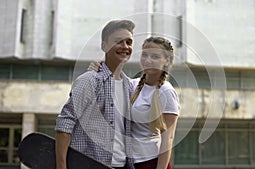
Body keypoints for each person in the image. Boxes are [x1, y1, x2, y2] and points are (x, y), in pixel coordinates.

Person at [88, 36, 180, 169]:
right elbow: (106, 88)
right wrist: (96, 68)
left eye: (155, 56)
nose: (148, 60)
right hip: (126, 162)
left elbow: (168, 138)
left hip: (151, 163)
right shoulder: (132, 84)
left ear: (167, 60)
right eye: (145, 55)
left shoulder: (166, 91)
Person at [55, 19, 136, 169]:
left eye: (129, 42)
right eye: (118, 41)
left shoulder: (129, 86)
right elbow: (65, 124)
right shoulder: (90, 80)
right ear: (104, 46)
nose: (125, 46)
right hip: (89, 164)